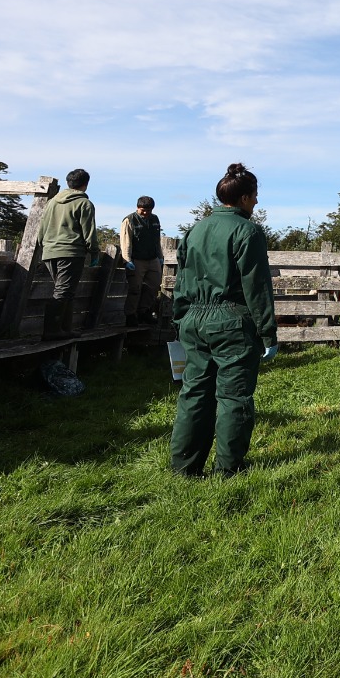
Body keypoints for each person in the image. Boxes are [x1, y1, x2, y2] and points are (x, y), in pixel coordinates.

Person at [169, 163, 278, 478]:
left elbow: (181, 279)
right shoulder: (247, 231)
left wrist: (181, 317)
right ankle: (229, 470)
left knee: (194, 393)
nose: (257, 203)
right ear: (244, 198)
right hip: (231, 319)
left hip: (193, 319)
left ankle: (184, 469)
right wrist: (268, 334)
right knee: (233, 396)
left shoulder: (194, 230)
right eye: (255, 197)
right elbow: (257, 288)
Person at [38, 168, 98, 341]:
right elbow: (90, 232)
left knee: (65, 290)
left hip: (49, 251)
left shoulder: (52, 202)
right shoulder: (84, 204)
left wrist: (44, 245)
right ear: (85, 184)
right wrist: (94, 252)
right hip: (70, 251)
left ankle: (64, 329)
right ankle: (51, 331)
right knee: (63, 291)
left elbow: (41, 227)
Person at [119, 196, 163, 326]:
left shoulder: (154, 219)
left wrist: (160, 256)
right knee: (135, 288)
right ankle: (131, 315)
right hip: (137, 259)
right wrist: (127, 260)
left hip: (153, 258)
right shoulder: (129, 220)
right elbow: (126, 241)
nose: (145, 213)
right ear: (138, 207)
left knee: (153, 287)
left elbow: (157, 240)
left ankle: (145, 312)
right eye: (143, 210)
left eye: (148, 210)